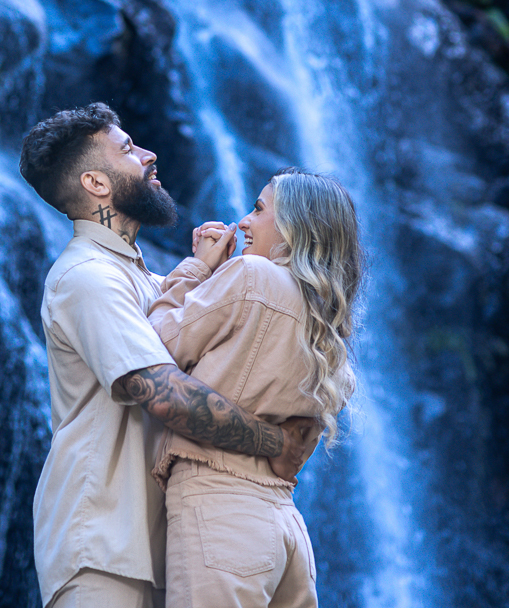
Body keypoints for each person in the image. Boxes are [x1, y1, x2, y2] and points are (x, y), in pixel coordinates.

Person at [19, 104, 317, 608]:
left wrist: (208, 271)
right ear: (95, 183)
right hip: (106, 547)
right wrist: (274, 442)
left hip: (178, 542)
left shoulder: (145, 279)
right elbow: (162, 393)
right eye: (128, 149)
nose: (149, 154)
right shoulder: (87, 276)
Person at [148, 168, 363, 608]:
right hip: (285, 531)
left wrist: (197, 268)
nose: (243, 221)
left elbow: (150, 347)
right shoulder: (328, 330)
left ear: (295, 228)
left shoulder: (251, 276)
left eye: (259, 209)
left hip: (221, 513)